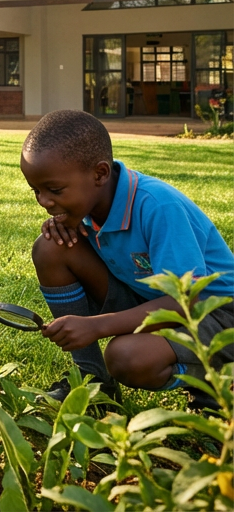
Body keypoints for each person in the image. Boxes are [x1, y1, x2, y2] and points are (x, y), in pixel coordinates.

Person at [24, 109, 234, 409]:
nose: (44, 201)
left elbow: (186, 299)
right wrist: (67, 220)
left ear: (99, 174)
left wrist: (96, 325)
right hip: (147, 298)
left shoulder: (158, 206)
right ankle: (92, 379)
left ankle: (215, 383)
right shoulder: (86, 206)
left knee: (125, 357)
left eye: (54, 190)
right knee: (50, 247)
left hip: (215, 314)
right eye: (37, 191)